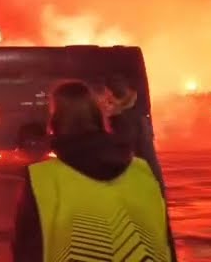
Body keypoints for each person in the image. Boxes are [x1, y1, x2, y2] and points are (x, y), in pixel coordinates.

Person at [12, 80, 173, 262]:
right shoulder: (142, 171)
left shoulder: (42, 179)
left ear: (55, 121)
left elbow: (27, 249)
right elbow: (164, 239)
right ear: (97, 116)